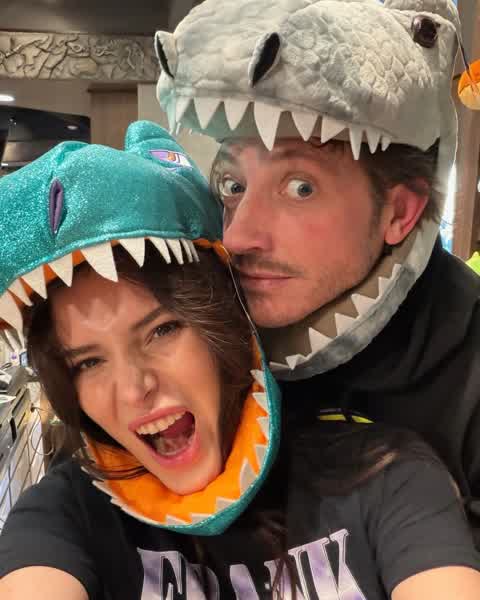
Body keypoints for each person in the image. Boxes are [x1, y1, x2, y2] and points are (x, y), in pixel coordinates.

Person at [1, 121, 480, 600]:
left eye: (162, 331)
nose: (132, 389)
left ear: (225, 326)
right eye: (88, 362)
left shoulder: (386, 476)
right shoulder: (67, 513)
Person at [155, 0, 480, 540]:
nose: (238, 238)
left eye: (300, 188)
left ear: (400, 212)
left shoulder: (469, 372)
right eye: (233, 186)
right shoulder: (200, 327)